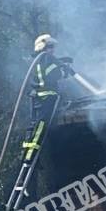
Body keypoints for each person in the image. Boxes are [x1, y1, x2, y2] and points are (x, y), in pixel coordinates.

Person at [23, 34, 74, 165]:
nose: (53, 50)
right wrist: (64, 71)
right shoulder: (45, 58)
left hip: (38, 97)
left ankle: (28, 155)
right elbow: (51, 75)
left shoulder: (39, 59)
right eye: (50, 47)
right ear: (43, 47)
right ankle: (30, 155)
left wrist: (61, 63)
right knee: (41, 125)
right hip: (46, 97)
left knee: (34, 125)